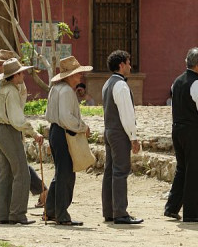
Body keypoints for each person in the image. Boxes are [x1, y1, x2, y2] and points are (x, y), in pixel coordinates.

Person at [164, 47, 198, 223]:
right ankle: (192, 212)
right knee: (194, 171)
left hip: (177, 128)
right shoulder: (197, 83)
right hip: (193, 131)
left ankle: (172, 207)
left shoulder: (177, 81)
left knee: (182, 169)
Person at [0, 58, 44, 225]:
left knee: (4, 174)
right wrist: (33, 133)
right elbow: (17, 119)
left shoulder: (2, 90)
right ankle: (17, 214)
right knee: (22, 173)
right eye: (20, 73)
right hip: (10, 131)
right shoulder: (11, 92)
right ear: (14, 76)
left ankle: (3, 214)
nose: (23, 75)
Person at [46, 55, 92, 226]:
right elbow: (66, 118)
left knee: (61, 173)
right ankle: (61, 214)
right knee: (66, 175)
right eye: (77, 74)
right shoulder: (66, 91)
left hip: (56, 132)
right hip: (64, 133)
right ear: (70, 76)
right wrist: (82, 127)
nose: (80, 77)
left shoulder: (56, 89)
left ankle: (51, 210)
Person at [101, 49, 142, 225]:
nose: (130, 66)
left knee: (110, 171)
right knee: (120, 171)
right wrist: (133, 136)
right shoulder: (121, 85)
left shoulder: (107, 84)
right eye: (128, 62)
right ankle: (120, 212)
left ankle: (109, 211)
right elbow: (127, 113)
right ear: (121, 65)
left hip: (109, 130)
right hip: (119, 133)